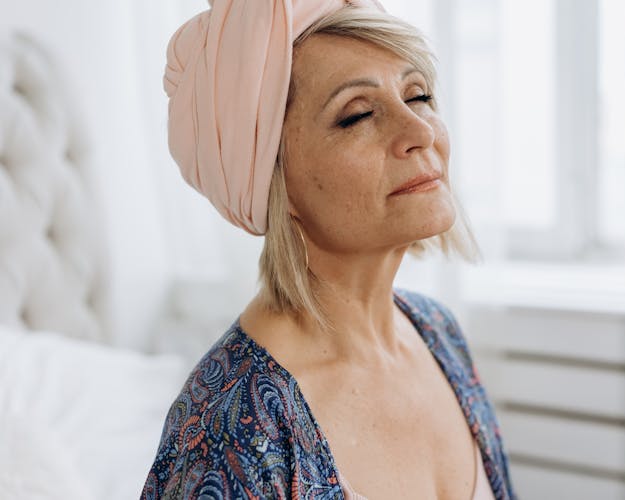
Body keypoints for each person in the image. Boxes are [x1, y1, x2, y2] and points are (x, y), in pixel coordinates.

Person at [142, 0, 515, 498]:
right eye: (358, 115)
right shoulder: (230, 427)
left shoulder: (438, 334)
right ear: (275, 184)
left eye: (418, 95)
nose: (420, 131)